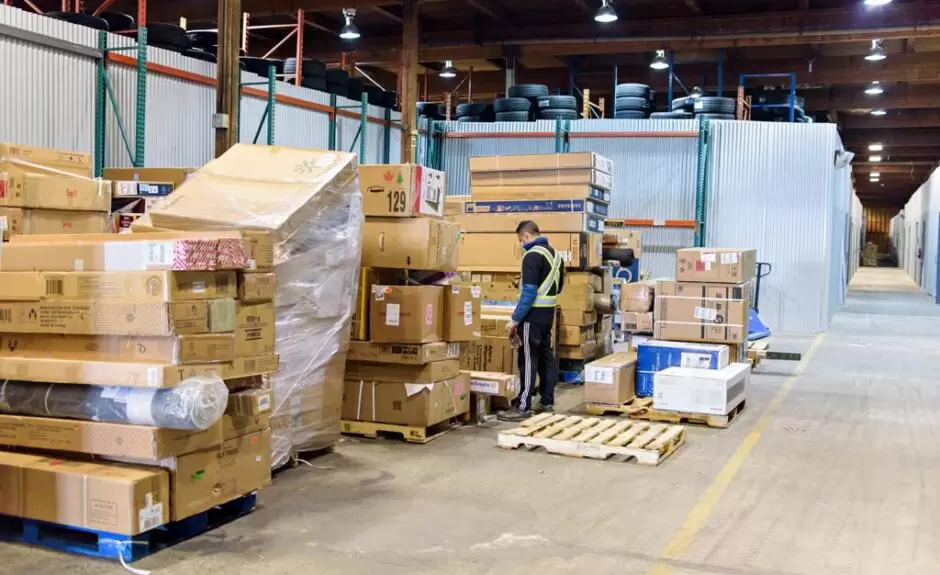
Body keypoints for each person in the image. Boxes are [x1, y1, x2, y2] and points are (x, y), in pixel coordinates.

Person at [498, 220, 564, 422]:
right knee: (546, 357)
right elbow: (558, 287)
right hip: (548, 314)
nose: (521, 244)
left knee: (527, 358)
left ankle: (523, 405)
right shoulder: (556, 255)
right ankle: (546, 401)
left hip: (532, 315)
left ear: (526, 236)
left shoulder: (532, 255)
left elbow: (529, 292)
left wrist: (515, 319)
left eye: (521, 240)